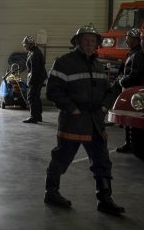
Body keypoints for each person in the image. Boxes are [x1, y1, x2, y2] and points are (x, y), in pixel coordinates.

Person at [44, 24, 125, 215]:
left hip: (95, 122)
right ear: (77, 42)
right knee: (62, 157)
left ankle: (104, 199)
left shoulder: (98, 65)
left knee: (102, 160)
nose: (89, 43)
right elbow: (52, 91)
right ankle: (51, 192)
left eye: (93, 40)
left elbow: (106, 91)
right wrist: (71, 109)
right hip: (73, 121)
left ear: (97, 43)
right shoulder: (64, 63)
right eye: (86, 40)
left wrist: (104, 107)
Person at [115, 28, 144, 153]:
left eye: (128, 38)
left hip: (133, 90)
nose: (126, 40)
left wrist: (122, 81)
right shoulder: (134, 53)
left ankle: (129, 144)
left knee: (130, 117)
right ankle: (129, 143)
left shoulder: (138, 55)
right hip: (131, 89)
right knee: (128, 117)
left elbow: (135, 75)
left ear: (135, 40)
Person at [22, 35, 48, 123]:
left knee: (31, 97)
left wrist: (31, 82)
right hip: (39, 78)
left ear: (31, 44)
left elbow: (35, 70)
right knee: (36, 97)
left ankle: (34, 117)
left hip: (36, 78)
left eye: (25, 44)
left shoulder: (34, 54)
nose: (24, 46)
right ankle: (38, 116)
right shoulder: (33, 52)